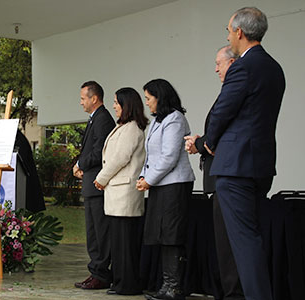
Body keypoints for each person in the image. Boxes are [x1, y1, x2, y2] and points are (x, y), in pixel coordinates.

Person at [204, 7, 285, 300]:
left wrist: (207, 143)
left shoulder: (242, 66)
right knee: (253, 239)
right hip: (261, 166)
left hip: (235, 167)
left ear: (239, 32)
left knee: (244, 243)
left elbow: (222, 112)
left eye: (228, 30)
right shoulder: (275, 67)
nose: (228, 35)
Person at [184, 46, 244, 300]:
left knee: (230, 245)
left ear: (231, 63)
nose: (216, 68)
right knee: (225, 244)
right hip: (221, 176)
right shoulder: (231, 90)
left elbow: (221, 133)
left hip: (228, 176)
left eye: (219, 63)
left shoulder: (236, 89)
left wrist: (199, 143)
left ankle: (234, 294)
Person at [137, 79, 195, 300]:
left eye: (149, 99)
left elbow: (169, 156)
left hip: (175, 184)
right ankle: (166, 285)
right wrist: (144, 175)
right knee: (161, 234)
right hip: (160, 184)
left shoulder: (175, 119)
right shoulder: (156, 121)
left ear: (160, 97)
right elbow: (151, 155)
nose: (147, 103)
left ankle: (174, 287)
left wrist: (148, 180)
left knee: (171, 234)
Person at [93, 87, 148, 295]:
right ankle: (119, 282)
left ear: (126, 105)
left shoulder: (132, 128)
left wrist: (101, 178)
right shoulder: (123, 126)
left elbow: (119, 158)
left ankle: (127, 284)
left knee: (125, 243)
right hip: (117, 193)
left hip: (124, 192)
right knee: (118, 242)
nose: (114, 106)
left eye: (117, 103)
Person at [73, 81, 115, 290]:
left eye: (83, 98)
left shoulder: (103, 119)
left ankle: (102, 273)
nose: (81, 102)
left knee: (100, 232)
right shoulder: (94, 119)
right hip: (90, 183)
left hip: (98, 185)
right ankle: (95, 271)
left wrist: (81, 163)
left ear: (94, 98)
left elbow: (100, 151)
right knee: (92, 232)